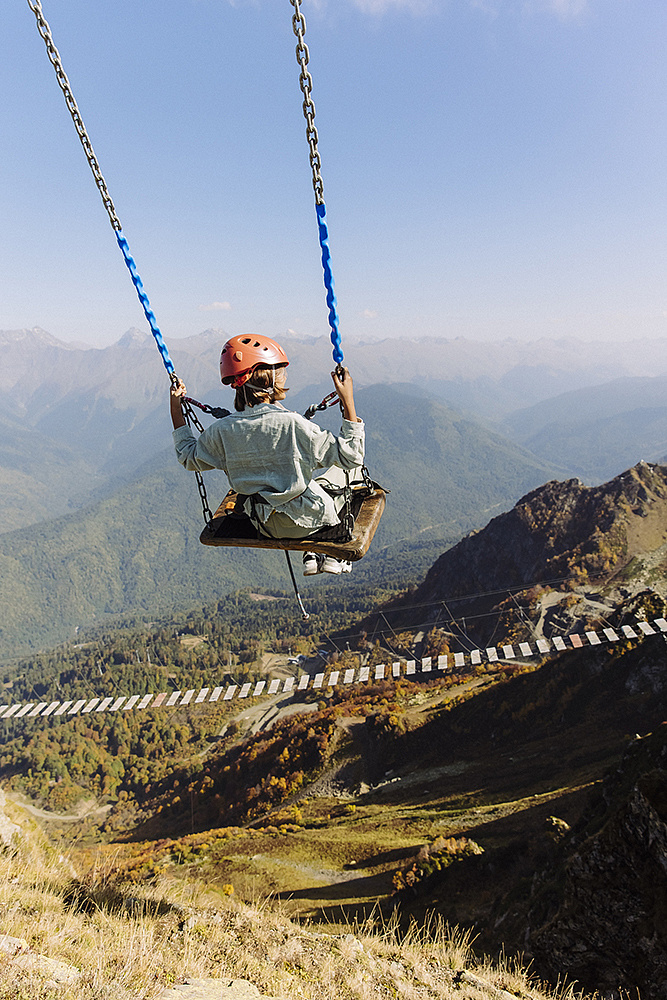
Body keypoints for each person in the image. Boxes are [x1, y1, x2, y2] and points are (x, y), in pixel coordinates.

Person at [170, 334, 365, 575]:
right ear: (269, 377)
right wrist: (348, 399)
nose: (284, 377)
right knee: (341, 472)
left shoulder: (222, 431)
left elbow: (188, 456)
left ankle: (313, 555)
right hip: (309, 522)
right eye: (281, 372)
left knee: (307, 480)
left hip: (262, 524)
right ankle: (329, 555)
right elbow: (351, 455)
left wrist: (175, 407)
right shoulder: (295, 426)